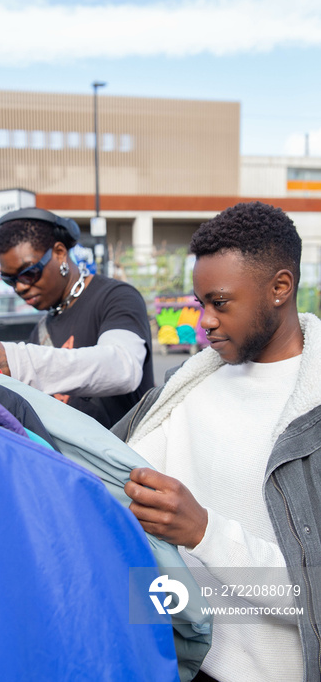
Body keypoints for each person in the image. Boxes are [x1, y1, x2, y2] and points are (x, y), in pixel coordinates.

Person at [112, 201, 321, 682]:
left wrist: (204, 532)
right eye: (199, 303)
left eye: (219, 303)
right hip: (186, 663)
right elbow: (111, 474)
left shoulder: (308, 407)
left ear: (280, 288)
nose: (203, 321)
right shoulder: (189, 388)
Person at [0, 207, 154, 428]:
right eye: (10, 280)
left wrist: (16, 361)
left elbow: (123, 368)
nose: (20, 286)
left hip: (127, 456)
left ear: (59, 253)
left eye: (29, 272)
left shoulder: (116, 297)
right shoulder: (42, 330)